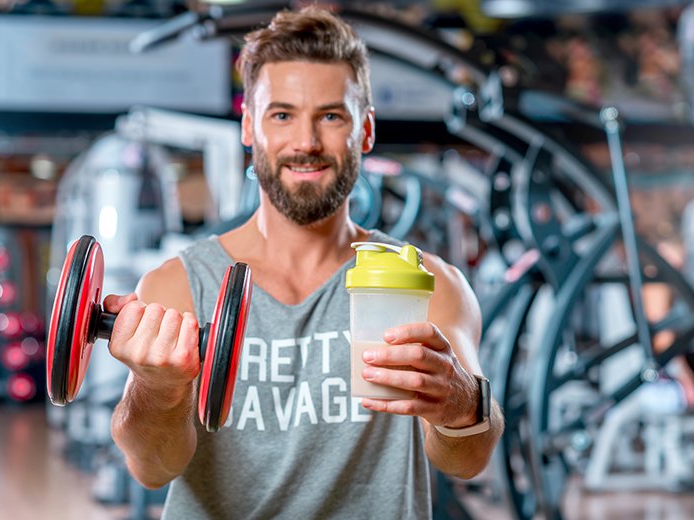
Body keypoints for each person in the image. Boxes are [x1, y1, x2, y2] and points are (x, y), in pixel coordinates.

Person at [106, 6, 504, 519]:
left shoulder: (427, 283)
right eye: (282, 115)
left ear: (365, 131)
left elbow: (469, 457)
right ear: (249, 127)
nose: (307, 142)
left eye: (331, 116)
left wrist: (459, 403)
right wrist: (157, 389)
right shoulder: (180, 285)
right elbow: (152, 468)